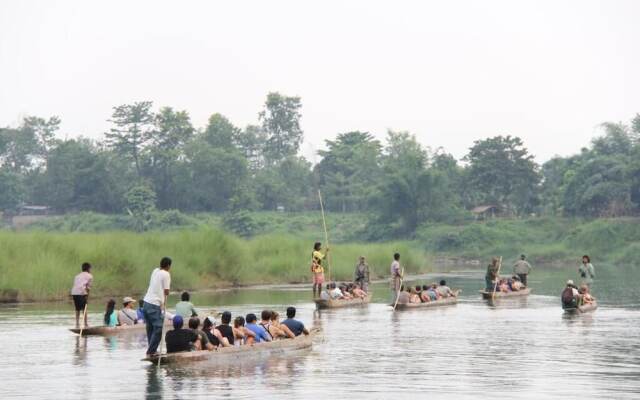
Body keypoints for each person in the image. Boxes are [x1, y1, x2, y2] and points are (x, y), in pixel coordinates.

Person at [142, 257, 172, 356]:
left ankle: (152, 351)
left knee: (150, 327)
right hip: (154, 304)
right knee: (158, 328)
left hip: (145, 303)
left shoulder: (155, 270)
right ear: (168, 266)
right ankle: (151, 351)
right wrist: (163, 301)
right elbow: (166, 291)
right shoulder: (166, 274)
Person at [70, 262, 93, 329]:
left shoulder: (77, 276)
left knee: (77, 309)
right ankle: (86, 324)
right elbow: (88, 288)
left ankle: (77, 324)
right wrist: (87, 296)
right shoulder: (90, 276)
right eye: (90, 268)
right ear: (88, 269)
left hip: (74, 293)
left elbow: (76, 285)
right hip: (81, 292)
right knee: (84, 309)